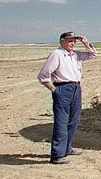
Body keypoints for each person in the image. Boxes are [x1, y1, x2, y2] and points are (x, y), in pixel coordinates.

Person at [37, 32, 97, 164]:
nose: (73, 43)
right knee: (61, 122)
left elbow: (92, 54)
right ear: (61, 42)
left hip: (76, 88)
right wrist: (55, 90)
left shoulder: (75, 55)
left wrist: (85, 42)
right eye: (70, 41)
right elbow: (43, 76)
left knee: (73, 121)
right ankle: (57, 155)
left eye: (74, 41)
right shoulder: (57, 54)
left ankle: (67, 148)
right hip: (63, 88)